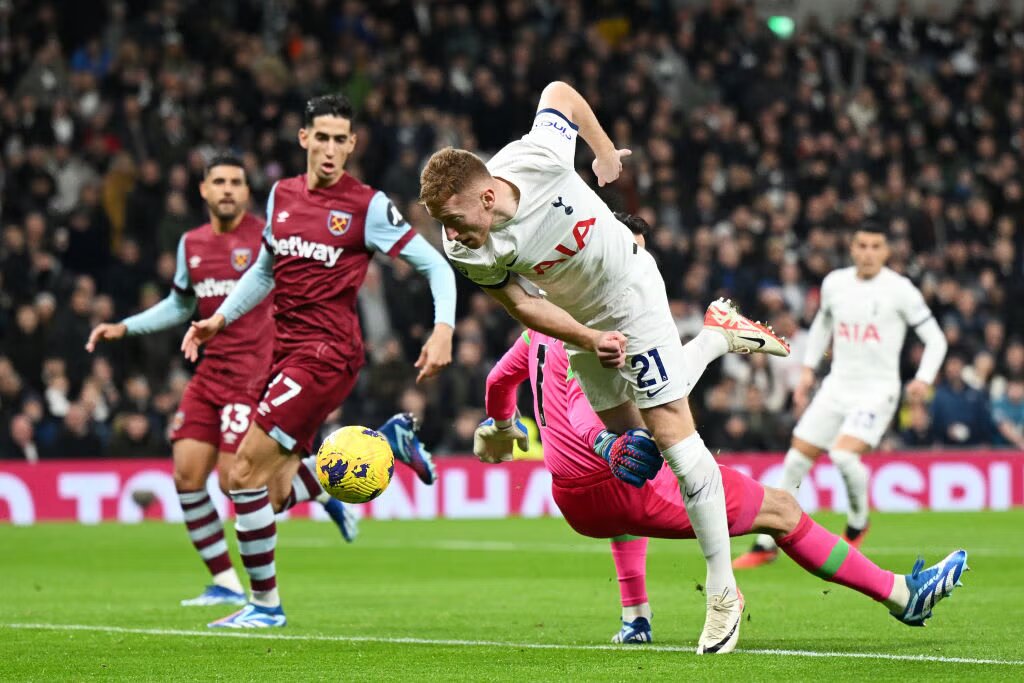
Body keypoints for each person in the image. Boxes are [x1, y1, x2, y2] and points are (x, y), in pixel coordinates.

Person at [420, 80, 789, 654]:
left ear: (487, 195)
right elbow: (523, 305)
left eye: (455, 218)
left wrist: (605, 150)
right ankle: (716, 339)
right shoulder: (469, 248)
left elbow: (558, 92)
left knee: (675, 442)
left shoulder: (536, 156)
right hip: (583, 326)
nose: (451, 233)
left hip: (632, 293)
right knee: (636, 445)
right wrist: (591, 340)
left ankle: (722, 592)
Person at [181, 95, 457, 628]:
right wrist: (220, 319)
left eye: (341, 139)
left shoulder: (367, 206)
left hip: (326, 355)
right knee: (274, 494)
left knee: (240, 474)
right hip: (285, 353)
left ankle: (265, 607)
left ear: (352, 145)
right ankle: (386, 442)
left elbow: (436, 267)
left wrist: (442, 328)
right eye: (322, 137)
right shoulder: (282, 196)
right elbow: (264, 270)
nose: (331, 149)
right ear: (304, 138)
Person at [86, 156, 362, 607]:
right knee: (186, 476)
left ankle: (326, 484)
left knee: (245, 488)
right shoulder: (190, 243)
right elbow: (180, 305)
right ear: (203, 190)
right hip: (210, 374)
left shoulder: (269, 236)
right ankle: (226, 583)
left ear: (248, 192)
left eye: (237, 182)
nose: (228, 189)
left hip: (255, 375)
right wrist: (126, 326)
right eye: (219, 182)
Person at [734, 222, 948, 568]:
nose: (867, 253)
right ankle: (764, 545)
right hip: (837, 385)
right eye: (861, 245)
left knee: (844, 456)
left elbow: (937, 339)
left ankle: (858, 521)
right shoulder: (836, 283)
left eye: (875, 246)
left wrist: (923, 379)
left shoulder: (901, 290)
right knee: (795, 460)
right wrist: (807, 371)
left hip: (878, 390)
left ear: (886, 251)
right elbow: (822, 325)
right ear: (852, 248)